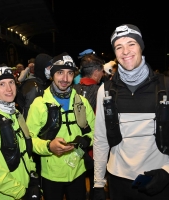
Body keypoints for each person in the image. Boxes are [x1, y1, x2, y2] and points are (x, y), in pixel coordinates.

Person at [93, 24, 169, 200]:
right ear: (115, 54)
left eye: (131, 43)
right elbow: (101, 139)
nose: (125, 51)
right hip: (118, 180)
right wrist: (98, 183)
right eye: (119, 46)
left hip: (158, 178)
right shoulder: (106, 90)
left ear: (141, 46)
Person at [26, 52, 95, 200]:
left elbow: (96, 131)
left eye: (70, 73)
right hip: (51, 175)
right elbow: (29, 140)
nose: (65, 79)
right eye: (60, 73)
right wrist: (48, 146)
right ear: (51, 75)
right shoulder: (39, 104)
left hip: (78, 171)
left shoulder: (82, 102)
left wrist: (87, 140)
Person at [0, 64, 40, 200]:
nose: (9, 88)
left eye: (11, 82)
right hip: (6, 195)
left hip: (25, 185)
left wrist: (33, 176)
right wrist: (22, 192)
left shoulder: (15, 113)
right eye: (2, 84)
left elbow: (25, 150)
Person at [73, 53, 104, 200]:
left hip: (74, 145)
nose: (103, 74)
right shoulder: (102, 92)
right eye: (102, 71)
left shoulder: (71, 90)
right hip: (94, 147)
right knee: (95, 183)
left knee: (76, 182)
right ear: (96, 71)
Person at [16, 53, 52, 119]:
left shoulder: (42, 83)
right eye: (49, 67)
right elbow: (29, 116)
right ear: (41, 67)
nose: (51, 70)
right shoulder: (34, 87)